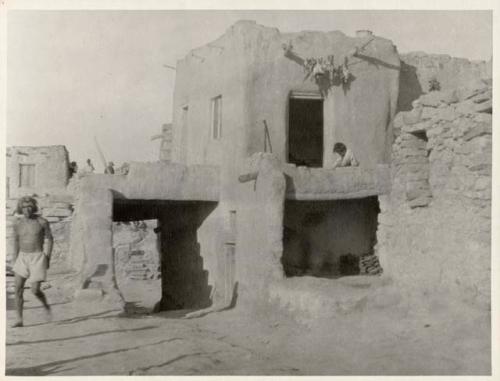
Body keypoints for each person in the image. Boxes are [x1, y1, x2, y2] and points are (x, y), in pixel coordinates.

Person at [12, 196, 53, 327]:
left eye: (29, 206)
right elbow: (16, 241)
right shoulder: (18, 223)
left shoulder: (42, 222)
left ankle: (46, 305)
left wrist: (47, 257)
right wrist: (15, 259)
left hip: (37, 257)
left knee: (35, 290)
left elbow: (50, 239)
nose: (27, 209)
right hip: (22, 257)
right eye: (24, 207)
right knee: (18, 289)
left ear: (34, 207)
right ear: (20, 208)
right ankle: (19, 319)